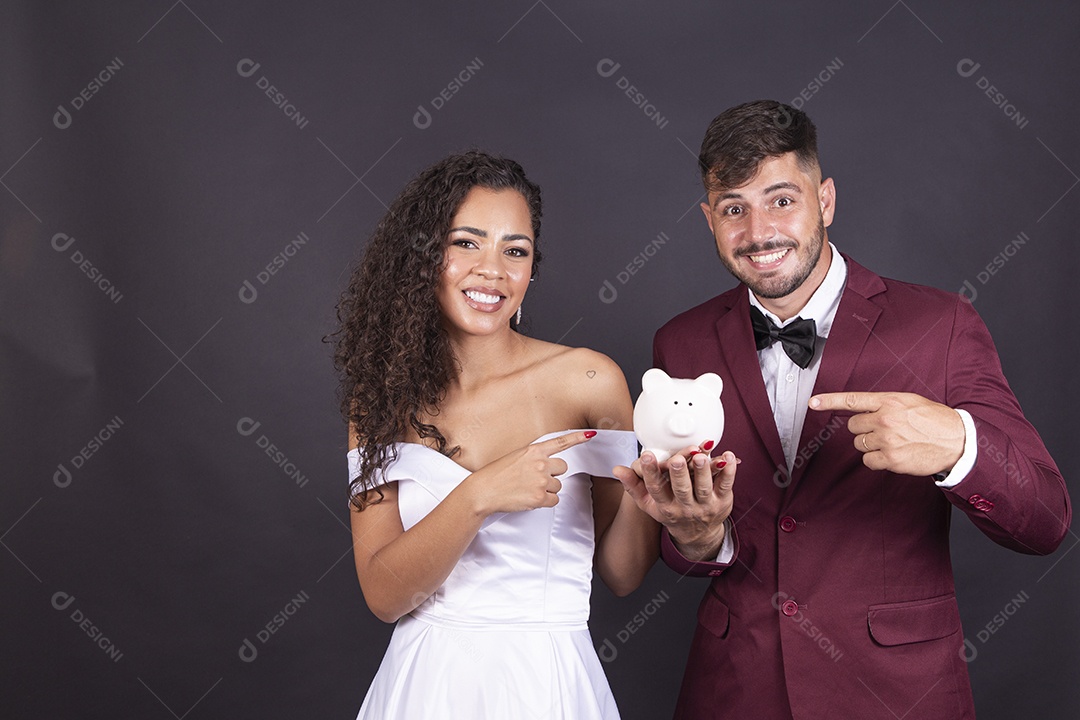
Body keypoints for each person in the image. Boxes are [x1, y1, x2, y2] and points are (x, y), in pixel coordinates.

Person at [613, 100, 1071, 719]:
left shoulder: (940, 325)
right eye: (733, 209)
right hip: (735, 690)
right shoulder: (681, 342)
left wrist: (961, 448)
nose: (758, 232)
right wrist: (698, 538)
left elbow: (1045, 522)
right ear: (708, 220)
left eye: (781, 199)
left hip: (897, 694)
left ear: (825, 201)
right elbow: (687, 536)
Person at [331, 150, 658, 719]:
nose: (493, 270)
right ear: (424, 256)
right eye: (466, 242)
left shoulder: (588, 379)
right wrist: (479, 495)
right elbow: (384, 597)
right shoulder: (380, 399)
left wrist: (653, 498)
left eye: (515, 250)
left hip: (547, 685)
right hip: (422, 688)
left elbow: (623, 574)